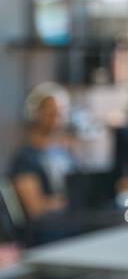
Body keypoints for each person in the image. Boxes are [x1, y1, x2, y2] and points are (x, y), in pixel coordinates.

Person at [7, 83, 77, 227]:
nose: (57, 120)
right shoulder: (25, 158)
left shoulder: (63, 153)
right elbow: (35, 209)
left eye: (61, 114)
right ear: (35, 114)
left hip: (71, 221)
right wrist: (72, 201)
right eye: (51, 114)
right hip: (46, 231)